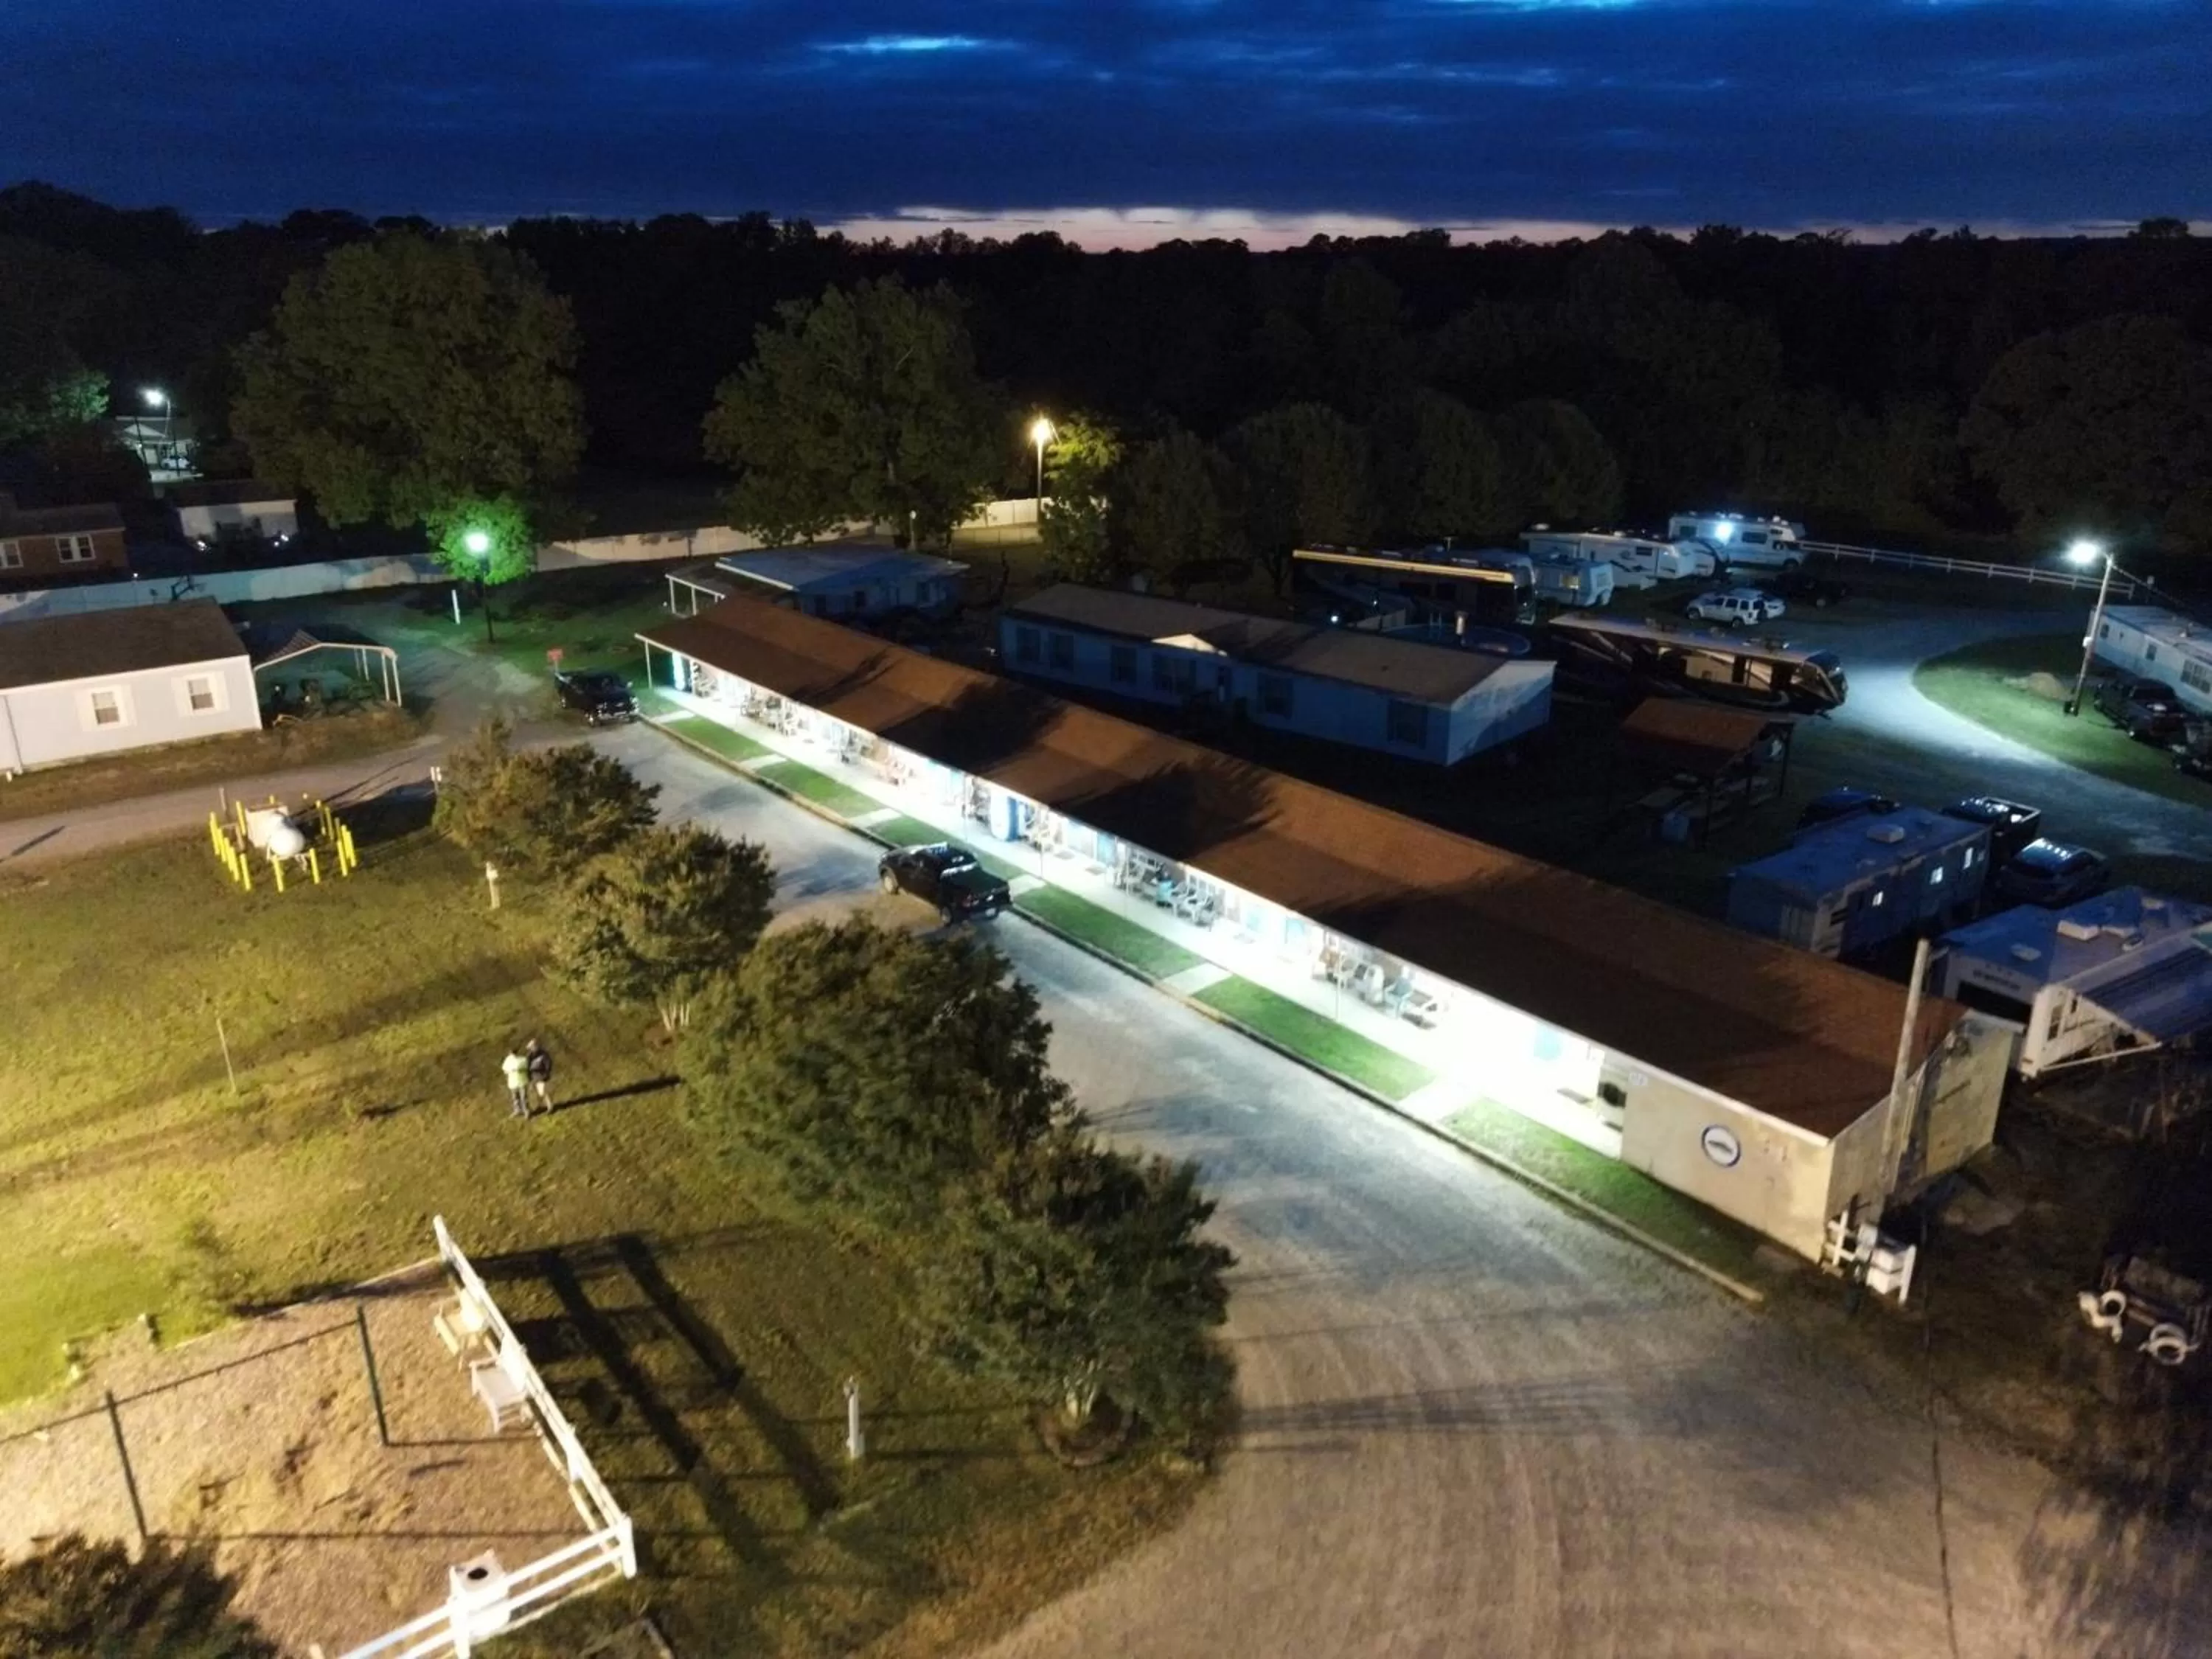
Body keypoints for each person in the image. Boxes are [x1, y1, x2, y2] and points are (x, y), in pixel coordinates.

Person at [524, 1037, 554, 1114]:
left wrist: (546, 1074)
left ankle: (550, 1107)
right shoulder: (529, 1056)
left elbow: (548, 1065)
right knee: (536, 1094)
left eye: (532, 1047)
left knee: (544, 1093)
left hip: (542, 1077)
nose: (531, 1049)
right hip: (534, 1077)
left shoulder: (544, 1054)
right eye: (530, 1048)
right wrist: (529, 1078)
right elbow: (527, 1067)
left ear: (536, 1046)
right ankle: (540, 1106)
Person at [501, 1046, 530, 1120]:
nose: (512, 1055)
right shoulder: (507, 1061)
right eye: (511, 1053)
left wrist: (520, 1070)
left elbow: (527, 1068)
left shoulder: (522, 1059)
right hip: (513, 1082)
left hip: (522, 1081)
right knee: (515, 1098)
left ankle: (526, 1111)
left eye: (513, 1053)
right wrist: (509, 1071)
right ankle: (517, 1110)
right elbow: (504, 1069)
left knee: (524, 1097)